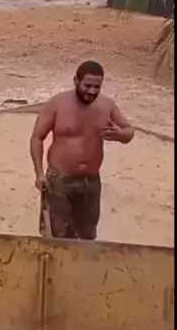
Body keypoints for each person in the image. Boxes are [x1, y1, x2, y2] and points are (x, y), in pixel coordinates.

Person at [29, 60, 134, 240]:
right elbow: (37, 138)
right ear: (76, 81)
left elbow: (129, 132)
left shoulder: (107, 106)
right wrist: (39, 174)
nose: (92, 91)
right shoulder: (57, 104)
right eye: (87, 85)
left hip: (90, 182)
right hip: (59, 180)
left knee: (87, 236)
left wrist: (121, 135)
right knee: (56, 236)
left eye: (97, 87)